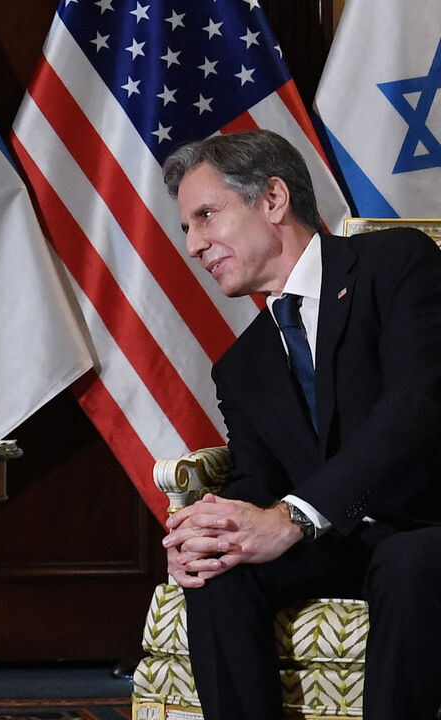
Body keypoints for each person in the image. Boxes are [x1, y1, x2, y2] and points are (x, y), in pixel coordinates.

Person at [160, 129, 441, 719]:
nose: (193, 244)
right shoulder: (240, 367)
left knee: (411, 564)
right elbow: (256, 480)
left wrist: (291, 516)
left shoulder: (397, 264)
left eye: (205, 216)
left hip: (423, 521)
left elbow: (415, 410)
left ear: (272, 200)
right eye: (187, 227)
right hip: (330, 540)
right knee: (220, 574)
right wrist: (212, 537)